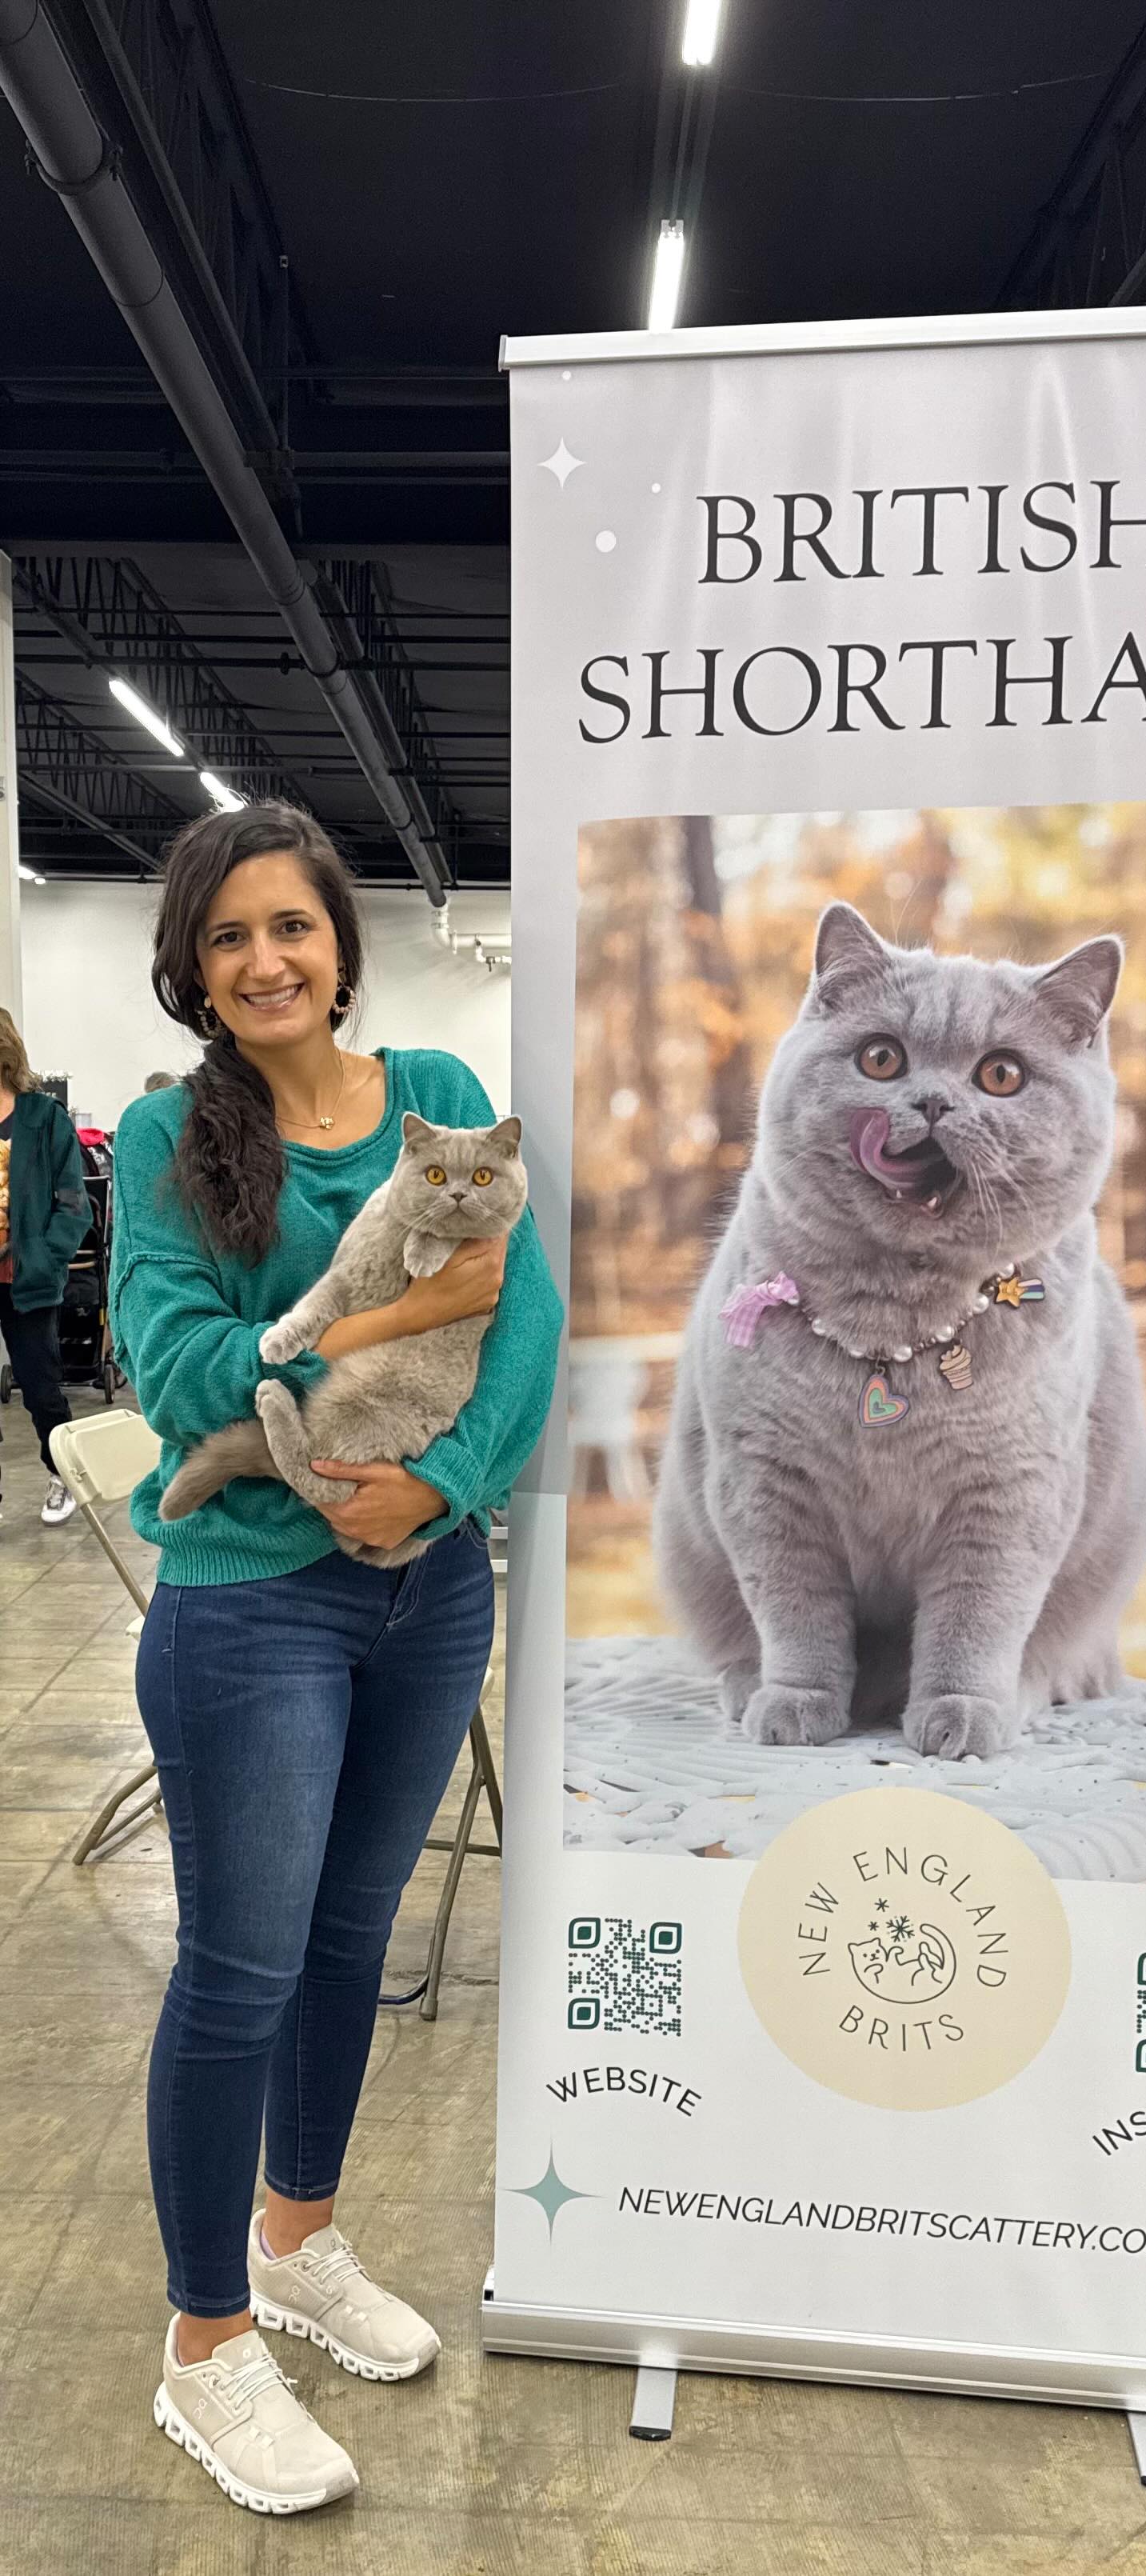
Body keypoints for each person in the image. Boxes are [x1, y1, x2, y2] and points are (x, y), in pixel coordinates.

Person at [110, 805, 562, 2516]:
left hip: (431, 1588)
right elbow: (181, 1365)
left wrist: (440, 1483)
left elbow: (522, 1307)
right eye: (227, 935)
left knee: (352, 1938)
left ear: (339, 944)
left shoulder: (436, 1091)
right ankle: (204, 2338)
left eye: (290, 924)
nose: (265, 958)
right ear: (193, 966)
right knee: (239, 1965)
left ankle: (295, 2238)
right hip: (252, 1601)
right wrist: (382, 1325)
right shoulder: (170, 1133)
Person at [0, 1006, 89, 1526]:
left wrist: (44, 1255)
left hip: (27, 1282)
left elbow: (74, 1204)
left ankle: (63, 1478)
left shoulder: (42, 1116)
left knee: (41, 1389)